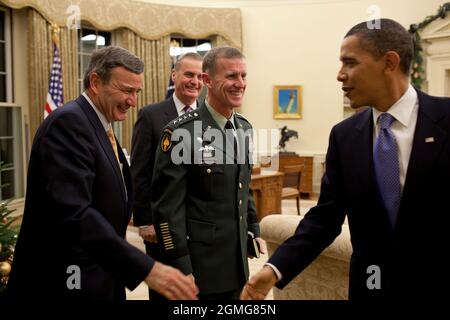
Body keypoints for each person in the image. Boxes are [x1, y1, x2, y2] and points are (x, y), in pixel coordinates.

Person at [241, 19, 450, 300]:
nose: (340, 75)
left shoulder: (446, 121)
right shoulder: (345, 136)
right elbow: (325, 219)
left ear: (389, 62)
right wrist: (274, 269)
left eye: (350, 63)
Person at [6, 46, 198, 301]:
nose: (133, 101)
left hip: (100, 272)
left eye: (137, 92)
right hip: (68, 279)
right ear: (96, 82)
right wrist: (146, 268)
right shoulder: (69, 123)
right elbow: (75, 214)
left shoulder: (97, 123)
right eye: (127, 90)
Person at [151, 46, 263, 300]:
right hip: (199, 268)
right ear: (207, 81)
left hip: (236, 263)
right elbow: (167, 208)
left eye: (243, 76)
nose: (240, 84)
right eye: (232, 76)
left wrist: (253, 228)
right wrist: (180, 264)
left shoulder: (243, 128)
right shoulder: (181, 133)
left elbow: (242, 186)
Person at [130, 52, 203, 299]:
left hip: (200, 225)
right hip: (162, 226)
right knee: (167, 293)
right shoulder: (150, 115)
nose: (195, 81)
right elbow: (139, 171)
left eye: (199, 76)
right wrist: (144, 220)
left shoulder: (210, 116)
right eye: (189, 74)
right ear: (175, 75)